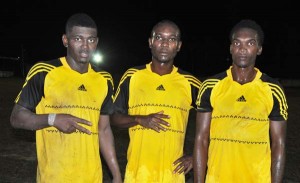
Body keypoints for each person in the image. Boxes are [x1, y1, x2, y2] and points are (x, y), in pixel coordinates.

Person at [10, 13, 122, 183]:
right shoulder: (44, 71)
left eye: (90, 40)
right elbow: (16, 118)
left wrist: (116, 174)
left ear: (96, 42)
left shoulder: (104, 79)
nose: (85, 46)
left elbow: (104, 130)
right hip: (54, 177)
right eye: (78, 39)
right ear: (65, 40)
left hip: (92, 177)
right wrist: (53, 119)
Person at [193, 19, 288, 182]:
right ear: (231, 48)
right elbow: (201, 139)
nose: (242, 49)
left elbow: (279, 145)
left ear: (259, 49)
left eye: (250, 43)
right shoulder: (210, 86)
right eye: (237, 43)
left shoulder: (273, 89)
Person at [111, 19, 201, 182]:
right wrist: (139, 119)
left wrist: (196, 156)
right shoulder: (132, 76)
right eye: (159, 38)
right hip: (137, 174)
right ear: (151, 42)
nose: (165, 44)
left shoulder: (190, 82)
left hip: (172, 175)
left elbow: (217, 122)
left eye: (171, 39)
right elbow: (113, 118)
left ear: (179, 46)